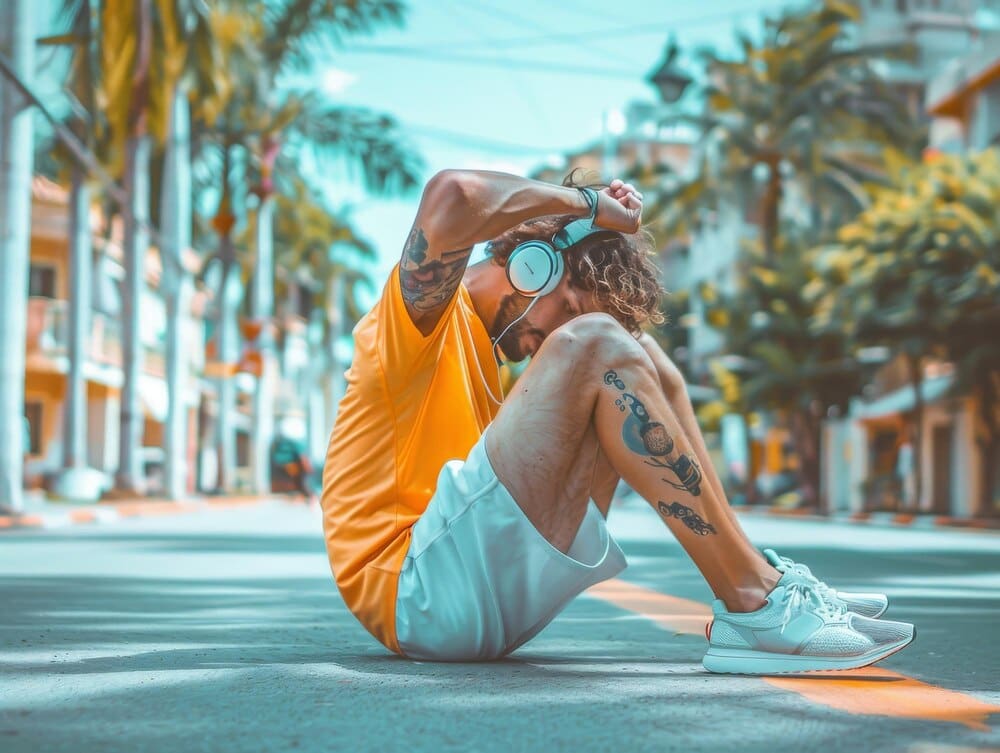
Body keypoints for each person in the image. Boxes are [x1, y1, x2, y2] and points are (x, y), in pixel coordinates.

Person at [321, 170, 915, 673]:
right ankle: (755, 605)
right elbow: (451, 195)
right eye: (566, 312)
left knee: (647, 359)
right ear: (531, 268)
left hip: (483, 603)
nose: (545, 344)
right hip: (416, 591)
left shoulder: (494, 363)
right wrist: (586, 205)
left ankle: (758, 581)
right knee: (599, 345)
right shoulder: (420, 324)